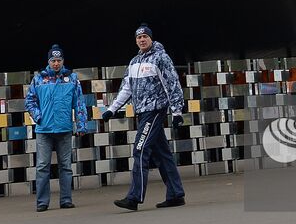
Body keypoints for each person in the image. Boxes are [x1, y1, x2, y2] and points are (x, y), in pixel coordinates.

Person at [102, 24, 187, 211]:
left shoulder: (161, 58)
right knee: (162, 154)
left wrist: (177, 111)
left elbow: (172, 84)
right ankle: (175, 194)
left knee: (140, 150)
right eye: (138, 38)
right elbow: (127, 88)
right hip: (141, 111)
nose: (142, 40)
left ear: (151, 38)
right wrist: (112, 109)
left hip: (155, 110)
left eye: (145, 37)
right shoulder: (134, 62)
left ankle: (134, 197)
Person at [26, 45, 88, 211]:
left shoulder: (72, 78)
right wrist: (39, 118)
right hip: (44, 130)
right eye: (53, 60)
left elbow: (80, 102)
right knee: (42, 166)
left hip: (64, 129)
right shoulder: (39, 78)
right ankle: (42, 202)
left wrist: (81, 124)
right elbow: (30, 101)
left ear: (63, 61)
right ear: (48, 61)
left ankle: (66, 199)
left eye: (58, 60)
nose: (55, 63)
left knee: (66, 166)